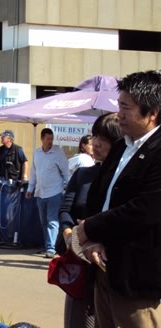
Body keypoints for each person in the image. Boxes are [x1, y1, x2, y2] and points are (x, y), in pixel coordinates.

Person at [76, 70, 161, 328]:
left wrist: (88, 229)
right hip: (102, 266)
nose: (119, 114)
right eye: (118, 106)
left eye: (126, 108)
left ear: (152, 112)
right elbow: (97, 195)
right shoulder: (122, 146)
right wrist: (90, 240)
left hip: (137, 278)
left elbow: (144, 209)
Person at [57, 113, 122, 328]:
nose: (96, 143)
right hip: (78, 260)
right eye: (94, 136)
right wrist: (69, 236)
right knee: (76, 320)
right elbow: (65, 209)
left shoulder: (123, 178)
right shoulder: (83, 174)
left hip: (107, 264)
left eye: (103, 138)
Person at [26, 128, 69, 258]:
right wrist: (30, 188)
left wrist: (68, 188)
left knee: (52, 221)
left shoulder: (58, 153)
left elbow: (66, 171)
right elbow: (34, 172)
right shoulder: (37, 153)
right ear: (42, 139)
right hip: (40, 193)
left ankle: (51, 248)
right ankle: (48, 246)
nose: (50, 141)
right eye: (48, 139)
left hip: (55, 192)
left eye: (51, 139)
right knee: (44, 221)